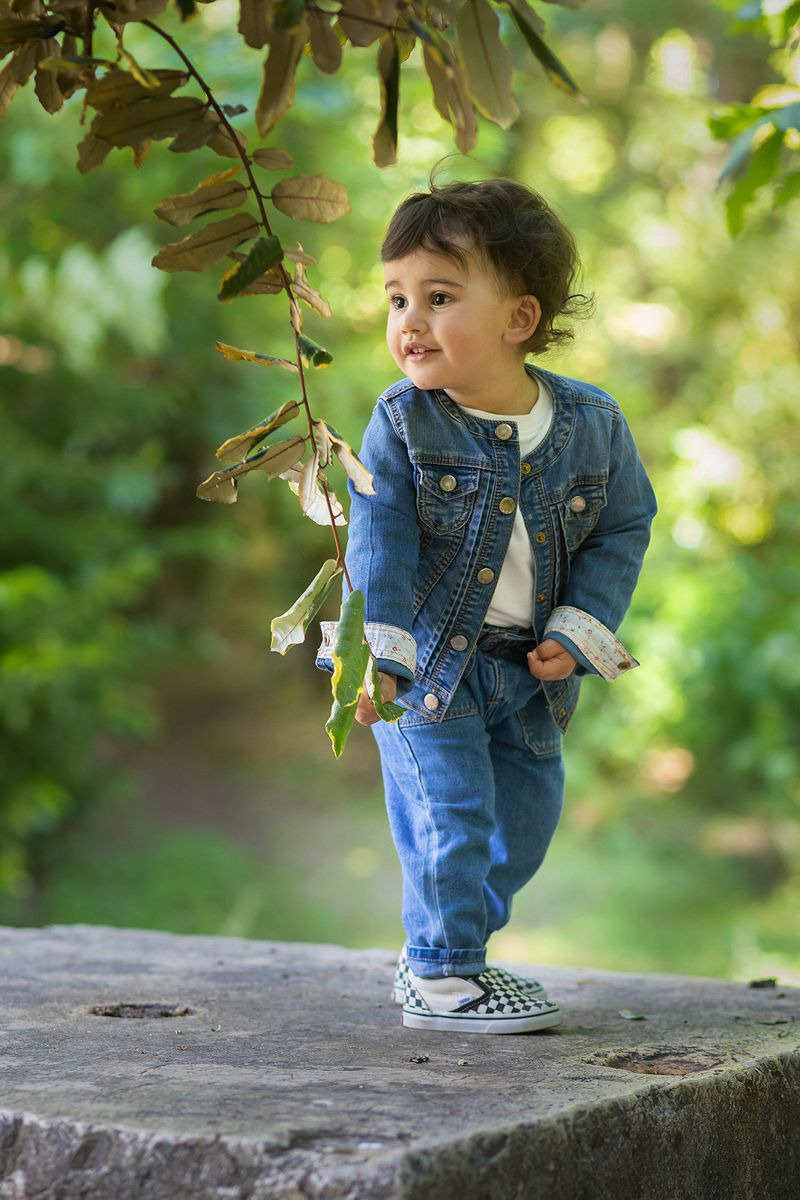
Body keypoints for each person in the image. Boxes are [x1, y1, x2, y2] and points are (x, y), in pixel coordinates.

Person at [315, 176, 658, 1034]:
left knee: (526, 823)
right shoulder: (401, 423)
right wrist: (374, 658)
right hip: (427, 667)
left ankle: (449, 947)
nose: (409, 321)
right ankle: (440, 972)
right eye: (397, 297)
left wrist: (580, 630)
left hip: (527, 672)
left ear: (519, 319)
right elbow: (378, 545)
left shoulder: (592, 424)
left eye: (439, 296)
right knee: (451, 813)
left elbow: (625, 526)